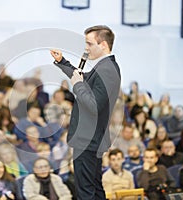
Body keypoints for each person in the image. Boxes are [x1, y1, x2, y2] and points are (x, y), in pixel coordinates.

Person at [50, 25, 121, 200]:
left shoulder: (107, 70)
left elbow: (93, 105)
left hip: (88, 140)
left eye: (89, 44)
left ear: (103, 44)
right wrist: (62, 62)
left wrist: (77, 86)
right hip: (91, 140)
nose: (86, 48)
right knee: (95, 189)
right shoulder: (105, 66)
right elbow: (81, 77)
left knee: (85, 191)